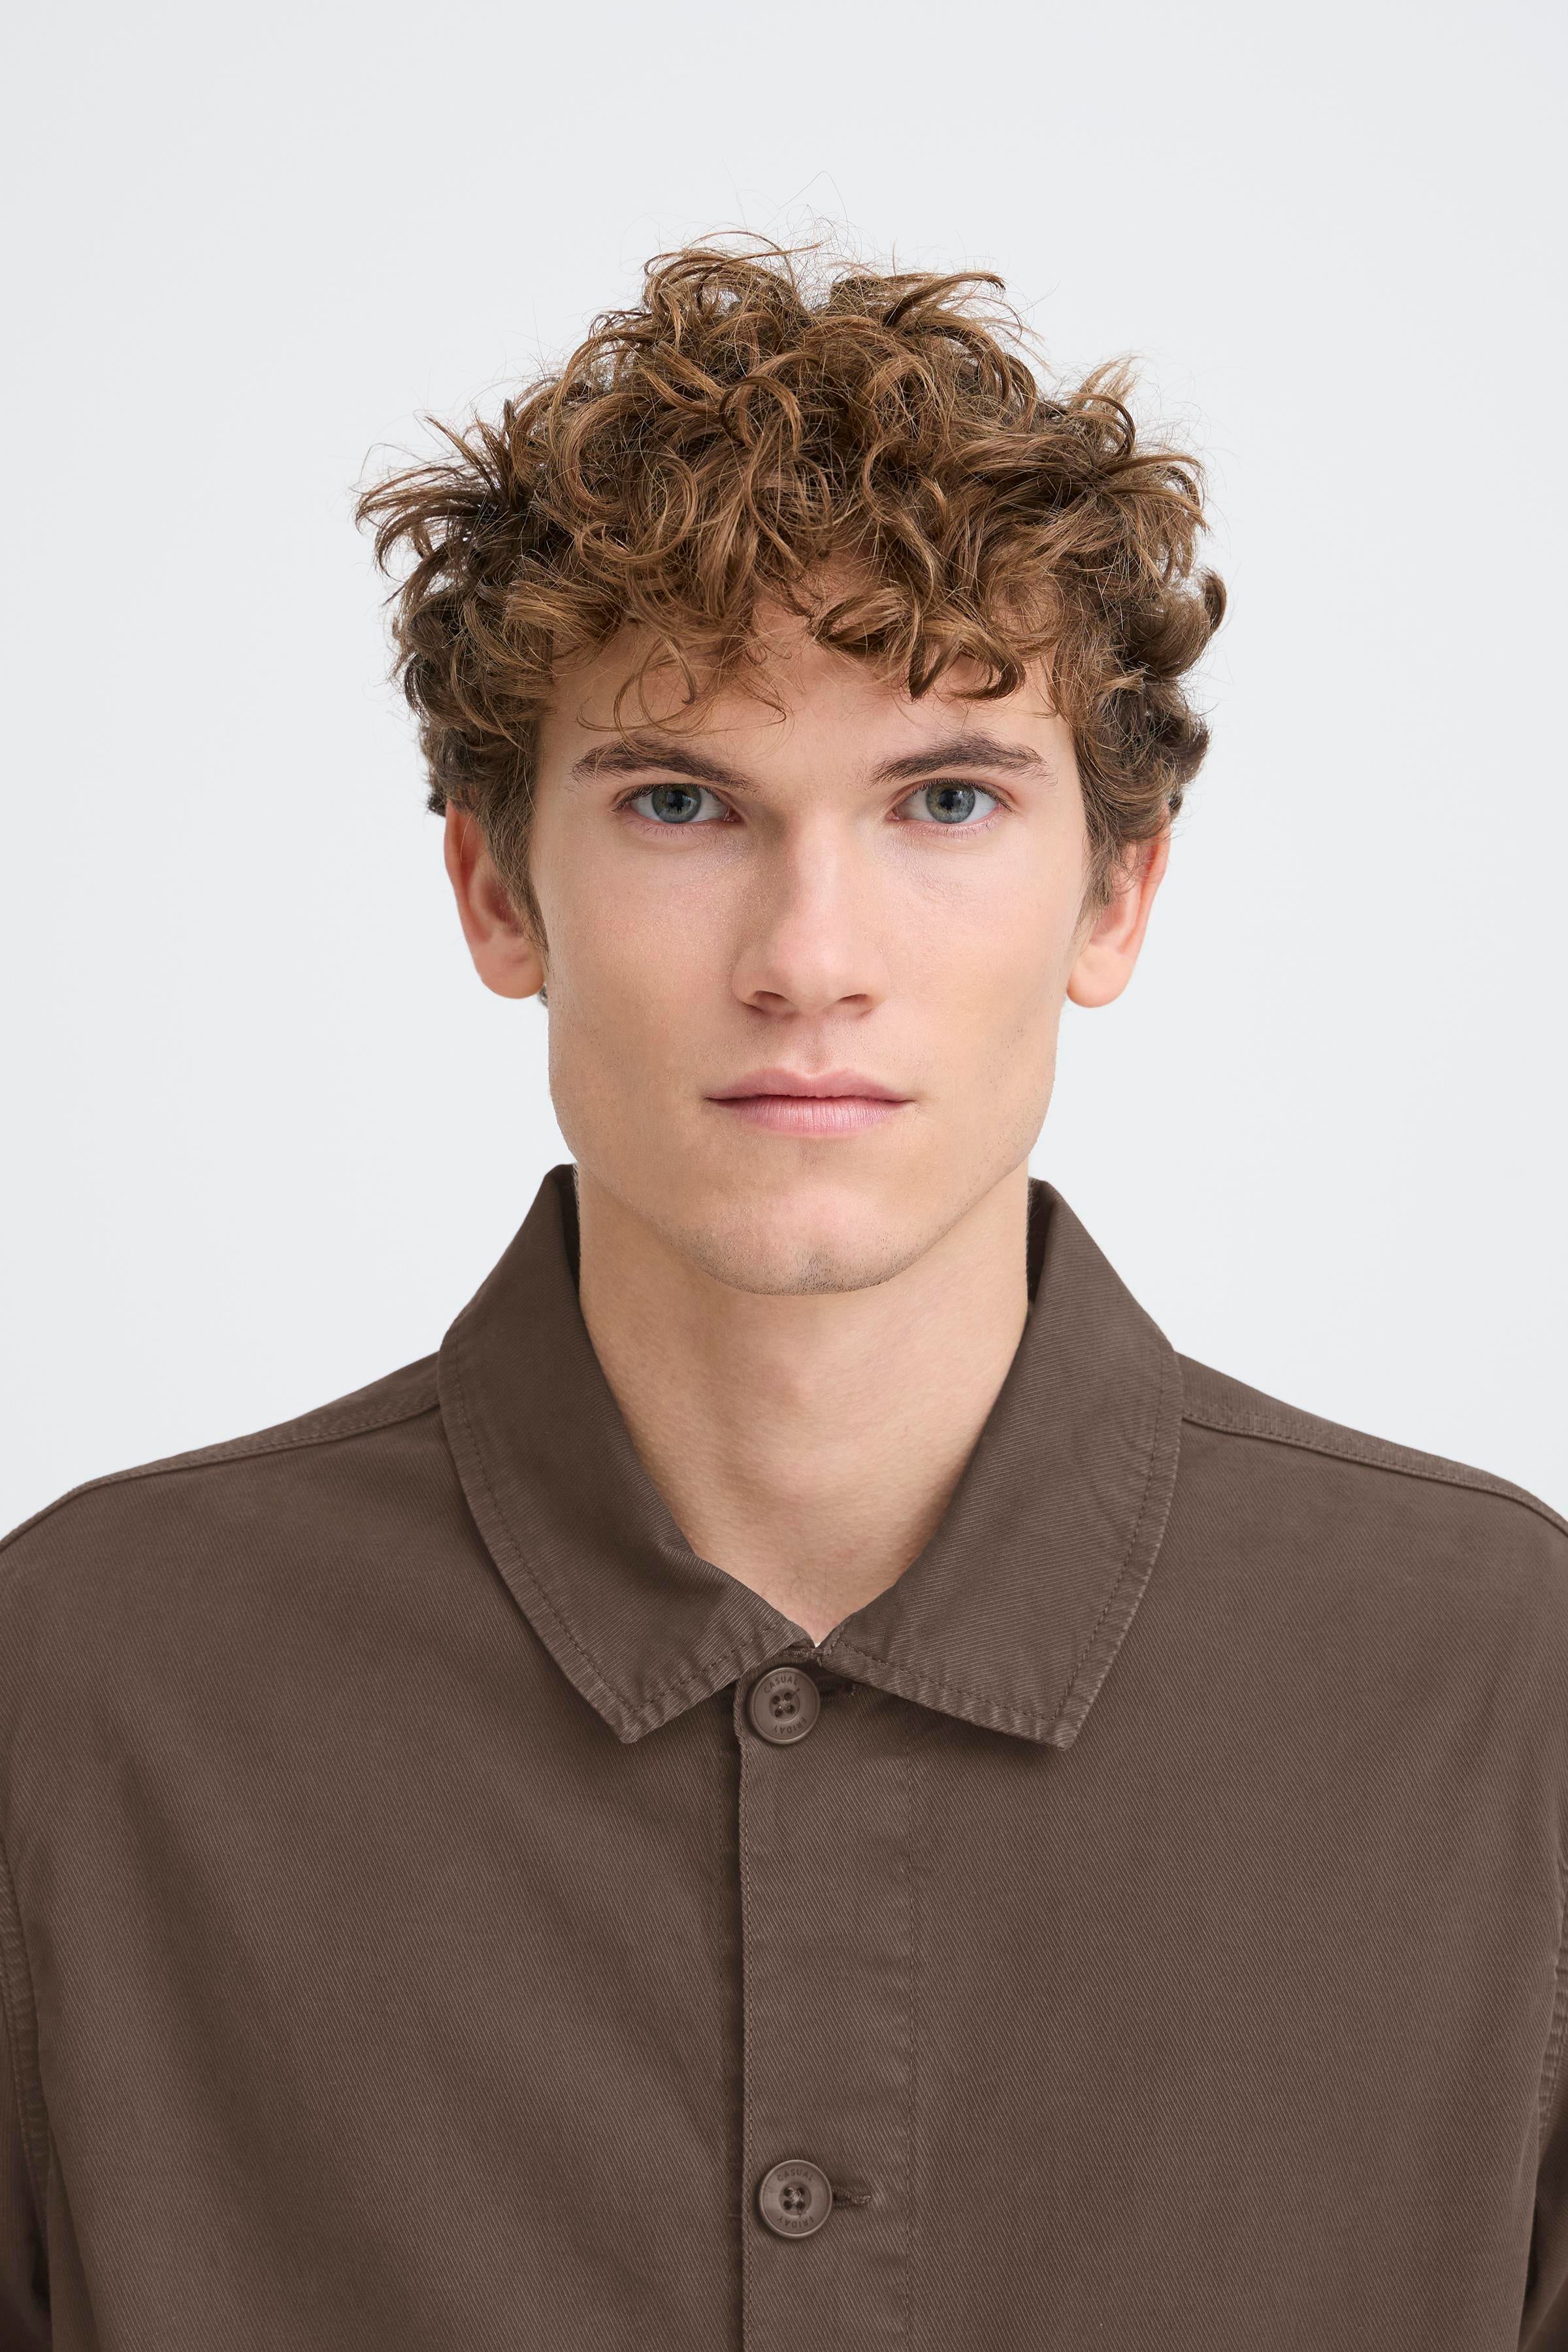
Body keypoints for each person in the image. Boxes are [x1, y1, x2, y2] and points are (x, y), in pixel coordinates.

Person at [0, 237, 1563, 2352]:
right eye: (681, 803)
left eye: (945, 800)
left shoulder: (1509, 1700)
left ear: (1117, 893)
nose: (810, 957)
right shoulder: (80, 1695)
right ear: (494, 892)